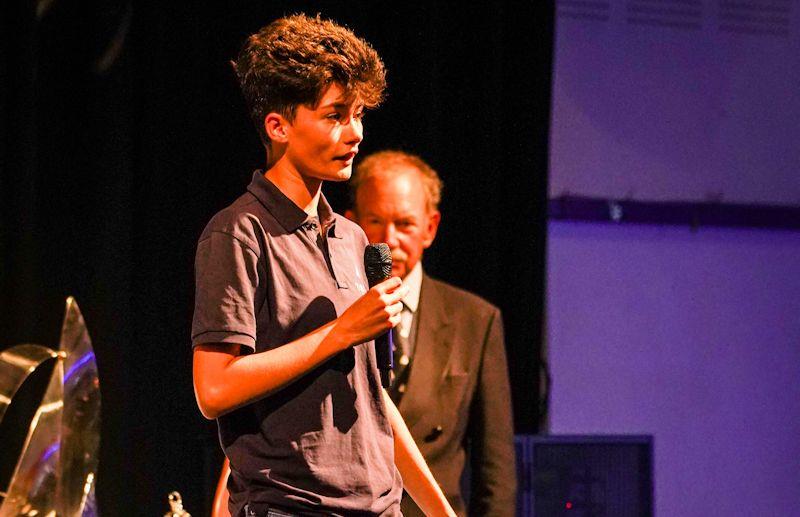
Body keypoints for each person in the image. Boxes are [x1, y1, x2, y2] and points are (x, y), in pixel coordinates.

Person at [191, 15, 455, 517]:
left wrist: (441, 512)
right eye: (336, 115)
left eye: (359, 114)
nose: (355, 133)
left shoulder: (352, 238)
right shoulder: (238, 233)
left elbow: (375, 400)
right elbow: (214, 387)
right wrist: (339, 332)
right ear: (279, 125)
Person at [345, 150, 517, 516]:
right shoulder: (329, 314)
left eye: (404, 223)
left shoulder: (476, 320)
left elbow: (496, 469)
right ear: (351, 224)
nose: (389, 238)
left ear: (430, 227)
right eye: (375, 220)